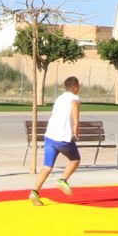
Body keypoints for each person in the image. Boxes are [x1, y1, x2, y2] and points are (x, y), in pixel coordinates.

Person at [31, 75, 82, 205]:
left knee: (47, 167)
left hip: (50, 136)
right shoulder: (74, 98)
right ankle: (62, 180)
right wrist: (76, 126)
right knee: (75, 159)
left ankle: (34, 192)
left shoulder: (60, 98)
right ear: (76, 87)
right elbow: (74, 106)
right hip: (62, 138)